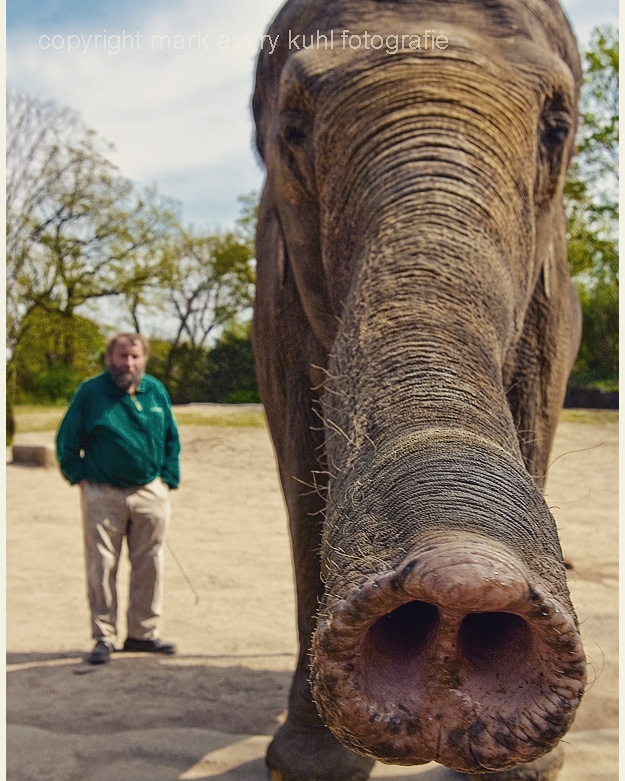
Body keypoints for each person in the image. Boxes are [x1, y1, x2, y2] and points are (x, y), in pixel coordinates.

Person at [56, 332, 181, 664]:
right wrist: (78, 478)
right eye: (122, 356)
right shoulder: (91, 392)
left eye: (135, 356)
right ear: (110, 358)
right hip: (103, 492)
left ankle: (143, 634)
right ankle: (104, 637)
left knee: (150, 564)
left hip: (149, 492)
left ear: (144, 358)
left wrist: (167, 479)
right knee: (102, 565)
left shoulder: (155, 390)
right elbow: (67, 439)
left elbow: (171, 437)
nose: (129, 362)